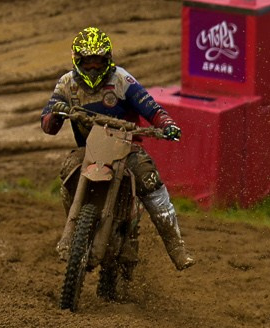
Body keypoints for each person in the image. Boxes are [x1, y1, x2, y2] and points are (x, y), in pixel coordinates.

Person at [42, 27, 193, 270]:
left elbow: (151, 108)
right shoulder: (67, 83)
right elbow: (48, 123)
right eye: (87, 62)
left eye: (98, 61)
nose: (93, 67)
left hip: (127, 148)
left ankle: (177, 247)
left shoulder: (122, 80)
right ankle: (74, 232)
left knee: (150, 180)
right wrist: (56, 114)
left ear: (107, 60)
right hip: (89, 150)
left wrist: (167, 125)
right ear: (78, 61)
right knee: (67, 171)